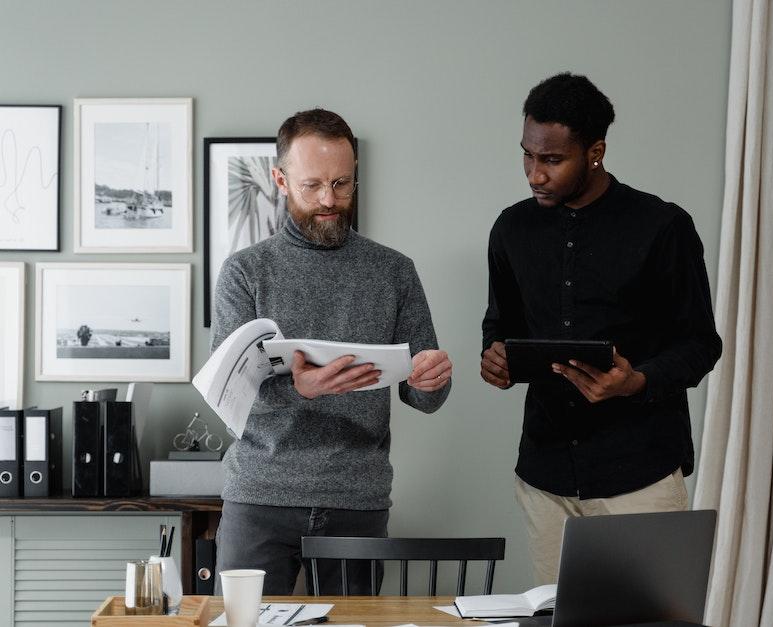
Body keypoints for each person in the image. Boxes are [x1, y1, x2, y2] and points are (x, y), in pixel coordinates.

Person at [481, 73, 722, 584]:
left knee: (651, 622)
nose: (534, 174)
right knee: (555, 620)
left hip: (641, 473)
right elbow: (501, 325)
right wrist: (496, 357)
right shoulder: (510, 229)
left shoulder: (663, 227)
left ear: (595, 152)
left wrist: (636, 381)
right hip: (545, 476)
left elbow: (702, 343)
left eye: (551, 160)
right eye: (527, 155)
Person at [212, 108, 453, 595]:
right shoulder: (244, 272)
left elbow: (422, 397)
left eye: (342, 184)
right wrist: (299, 391)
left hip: (356, 501)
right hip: (259, 497)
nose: (329, 200)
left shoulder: (393, 271)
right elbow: (225, 394)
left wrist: (432, 380)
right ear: (281, 179)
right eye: (313, 185)